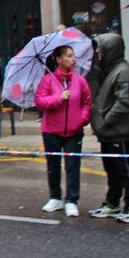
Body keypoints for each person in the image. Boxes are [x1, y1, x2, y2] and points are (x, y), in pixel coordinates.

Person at [88, 33, 129, 223]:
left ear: (110, 49)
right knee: (112, 170)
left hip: (117, 131)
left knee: (124, 171)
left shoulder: (123, 71)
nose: (97, 52)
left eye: (100, 48)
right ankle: (112, 202)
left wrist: (105, 120)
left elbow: (125, 102)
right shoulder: (109, 69)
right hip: (108, 133)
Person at [34, 44, 91, 217]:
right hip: (51, 131)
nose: (72, 59)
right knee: (53, 166)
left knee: (73, 166)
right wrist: (58, 98)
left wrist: (81, 120)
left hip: (74, 132)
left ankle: (72, 200)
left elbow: (86, 102)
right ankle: (55, 197)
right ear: (58, 59)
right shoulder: (48, 80)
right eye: (68, 55)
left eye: (73, 55)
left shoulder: (80, 80)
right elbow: (40, 102)